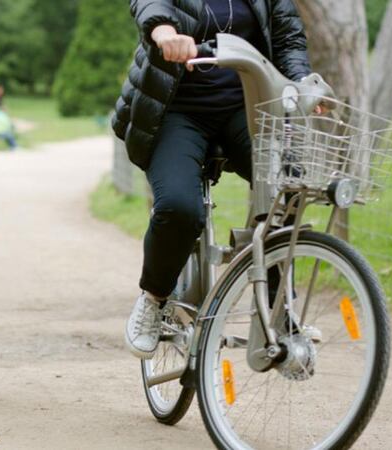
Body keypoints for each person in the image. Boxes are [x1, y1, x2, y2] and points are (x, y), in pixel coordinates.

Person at [112, 0, 314, 359]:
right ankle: (154, 298)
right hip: (174, 109)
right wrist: (165, 32)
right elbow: (150, 5)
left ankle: (277, 305)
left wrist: (301, 85)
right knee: (179, 207)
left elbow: (288, 40)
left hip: (246, 108)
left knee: (290, 188)